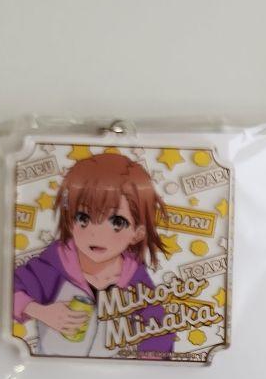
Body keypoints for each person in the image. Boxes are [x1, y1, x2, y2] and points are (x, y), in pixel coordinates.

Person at [13, 152, 173, 356]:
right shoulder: (53, 267)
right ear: (70, 221)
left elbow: (158, 327)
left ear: (137, 233)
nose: (95, 234)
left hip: (111, 372)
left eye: (117, 222)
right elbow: (8, 291)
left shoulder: (135, 280)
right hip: (51, 368)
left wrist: (150, 365)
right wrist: (40, 311)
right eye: (83, 218)